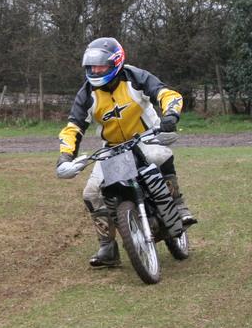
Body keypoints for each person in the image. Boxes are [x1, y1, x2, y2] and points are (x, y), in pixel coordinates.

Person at [57, 37, 197, 268]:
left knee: (159, 157)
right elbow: (73, 128)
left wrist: (170, 116)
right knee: (92, 193)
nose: (95, 71)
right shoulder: (87, 94)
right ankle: (108, 247)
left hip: (145, 137)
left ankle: (178, 206)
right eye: (91, 67)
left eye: (100, 66)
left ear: (115, 62)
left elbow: (166, 94)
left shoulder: (136, 77)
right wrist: (65, 157)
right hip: (113, 148)